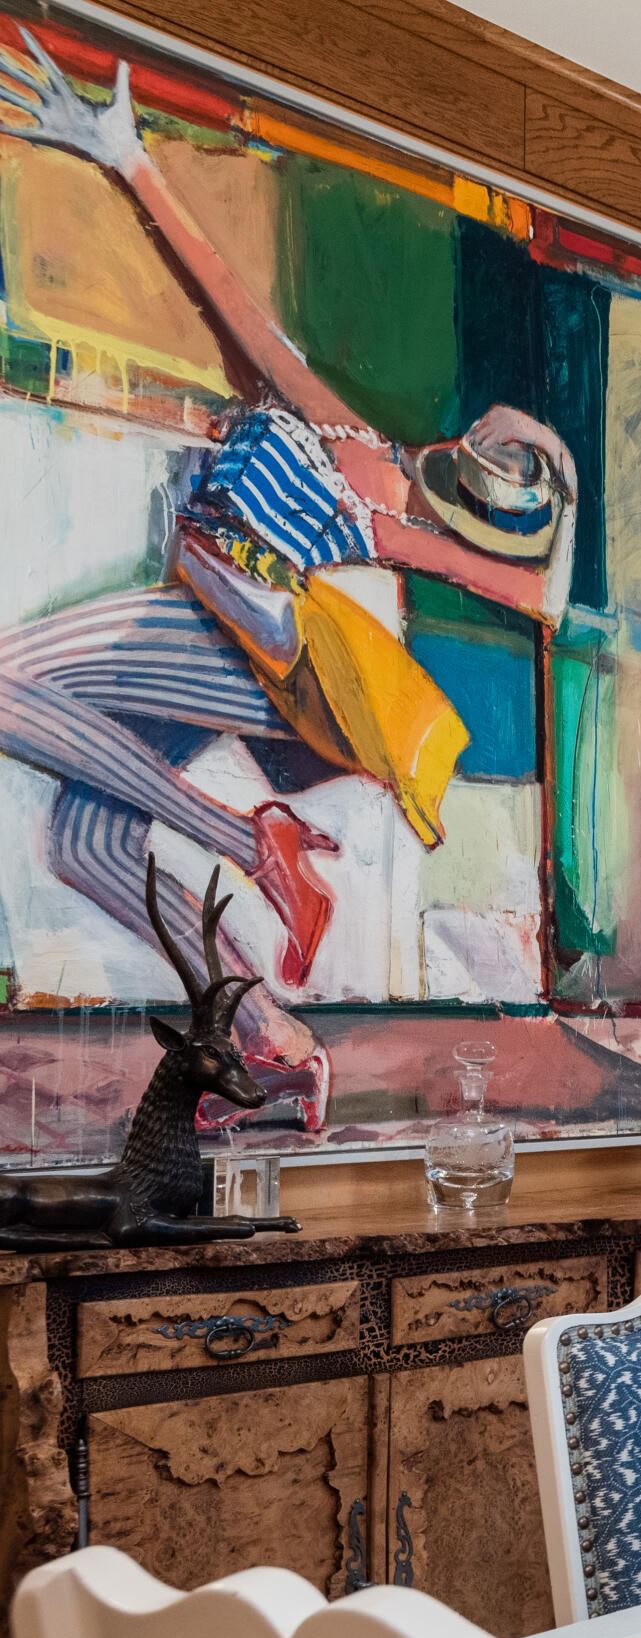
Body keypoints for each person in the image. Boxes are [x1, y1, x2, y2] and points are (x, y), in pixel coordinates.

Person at [0, 31, 579, 1128]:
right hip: (226, 638)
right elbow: (227, 298)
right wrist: (125, 155)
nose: (472, 476)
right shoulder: (346, 438)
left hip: (239, 652)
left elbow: (537, 603)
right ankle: (273, 1040)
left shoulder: (389, 511)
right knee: (83, 840)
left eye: (494, 482)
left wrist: (561, 507)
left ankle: (247, 838)